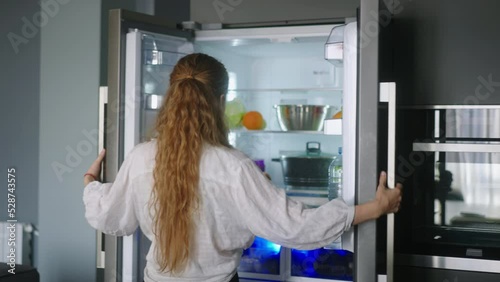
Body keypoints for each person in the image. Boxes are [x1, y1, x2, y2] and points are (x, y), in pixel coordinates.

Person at [83, 53, 402, 282]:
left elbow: (111, 217)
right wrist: (376, 207)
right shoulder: (233, 168)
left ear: (172, 96)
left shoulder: (140, 157)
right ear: (220, 102)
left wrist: (90, 182)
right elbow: (295, 227)